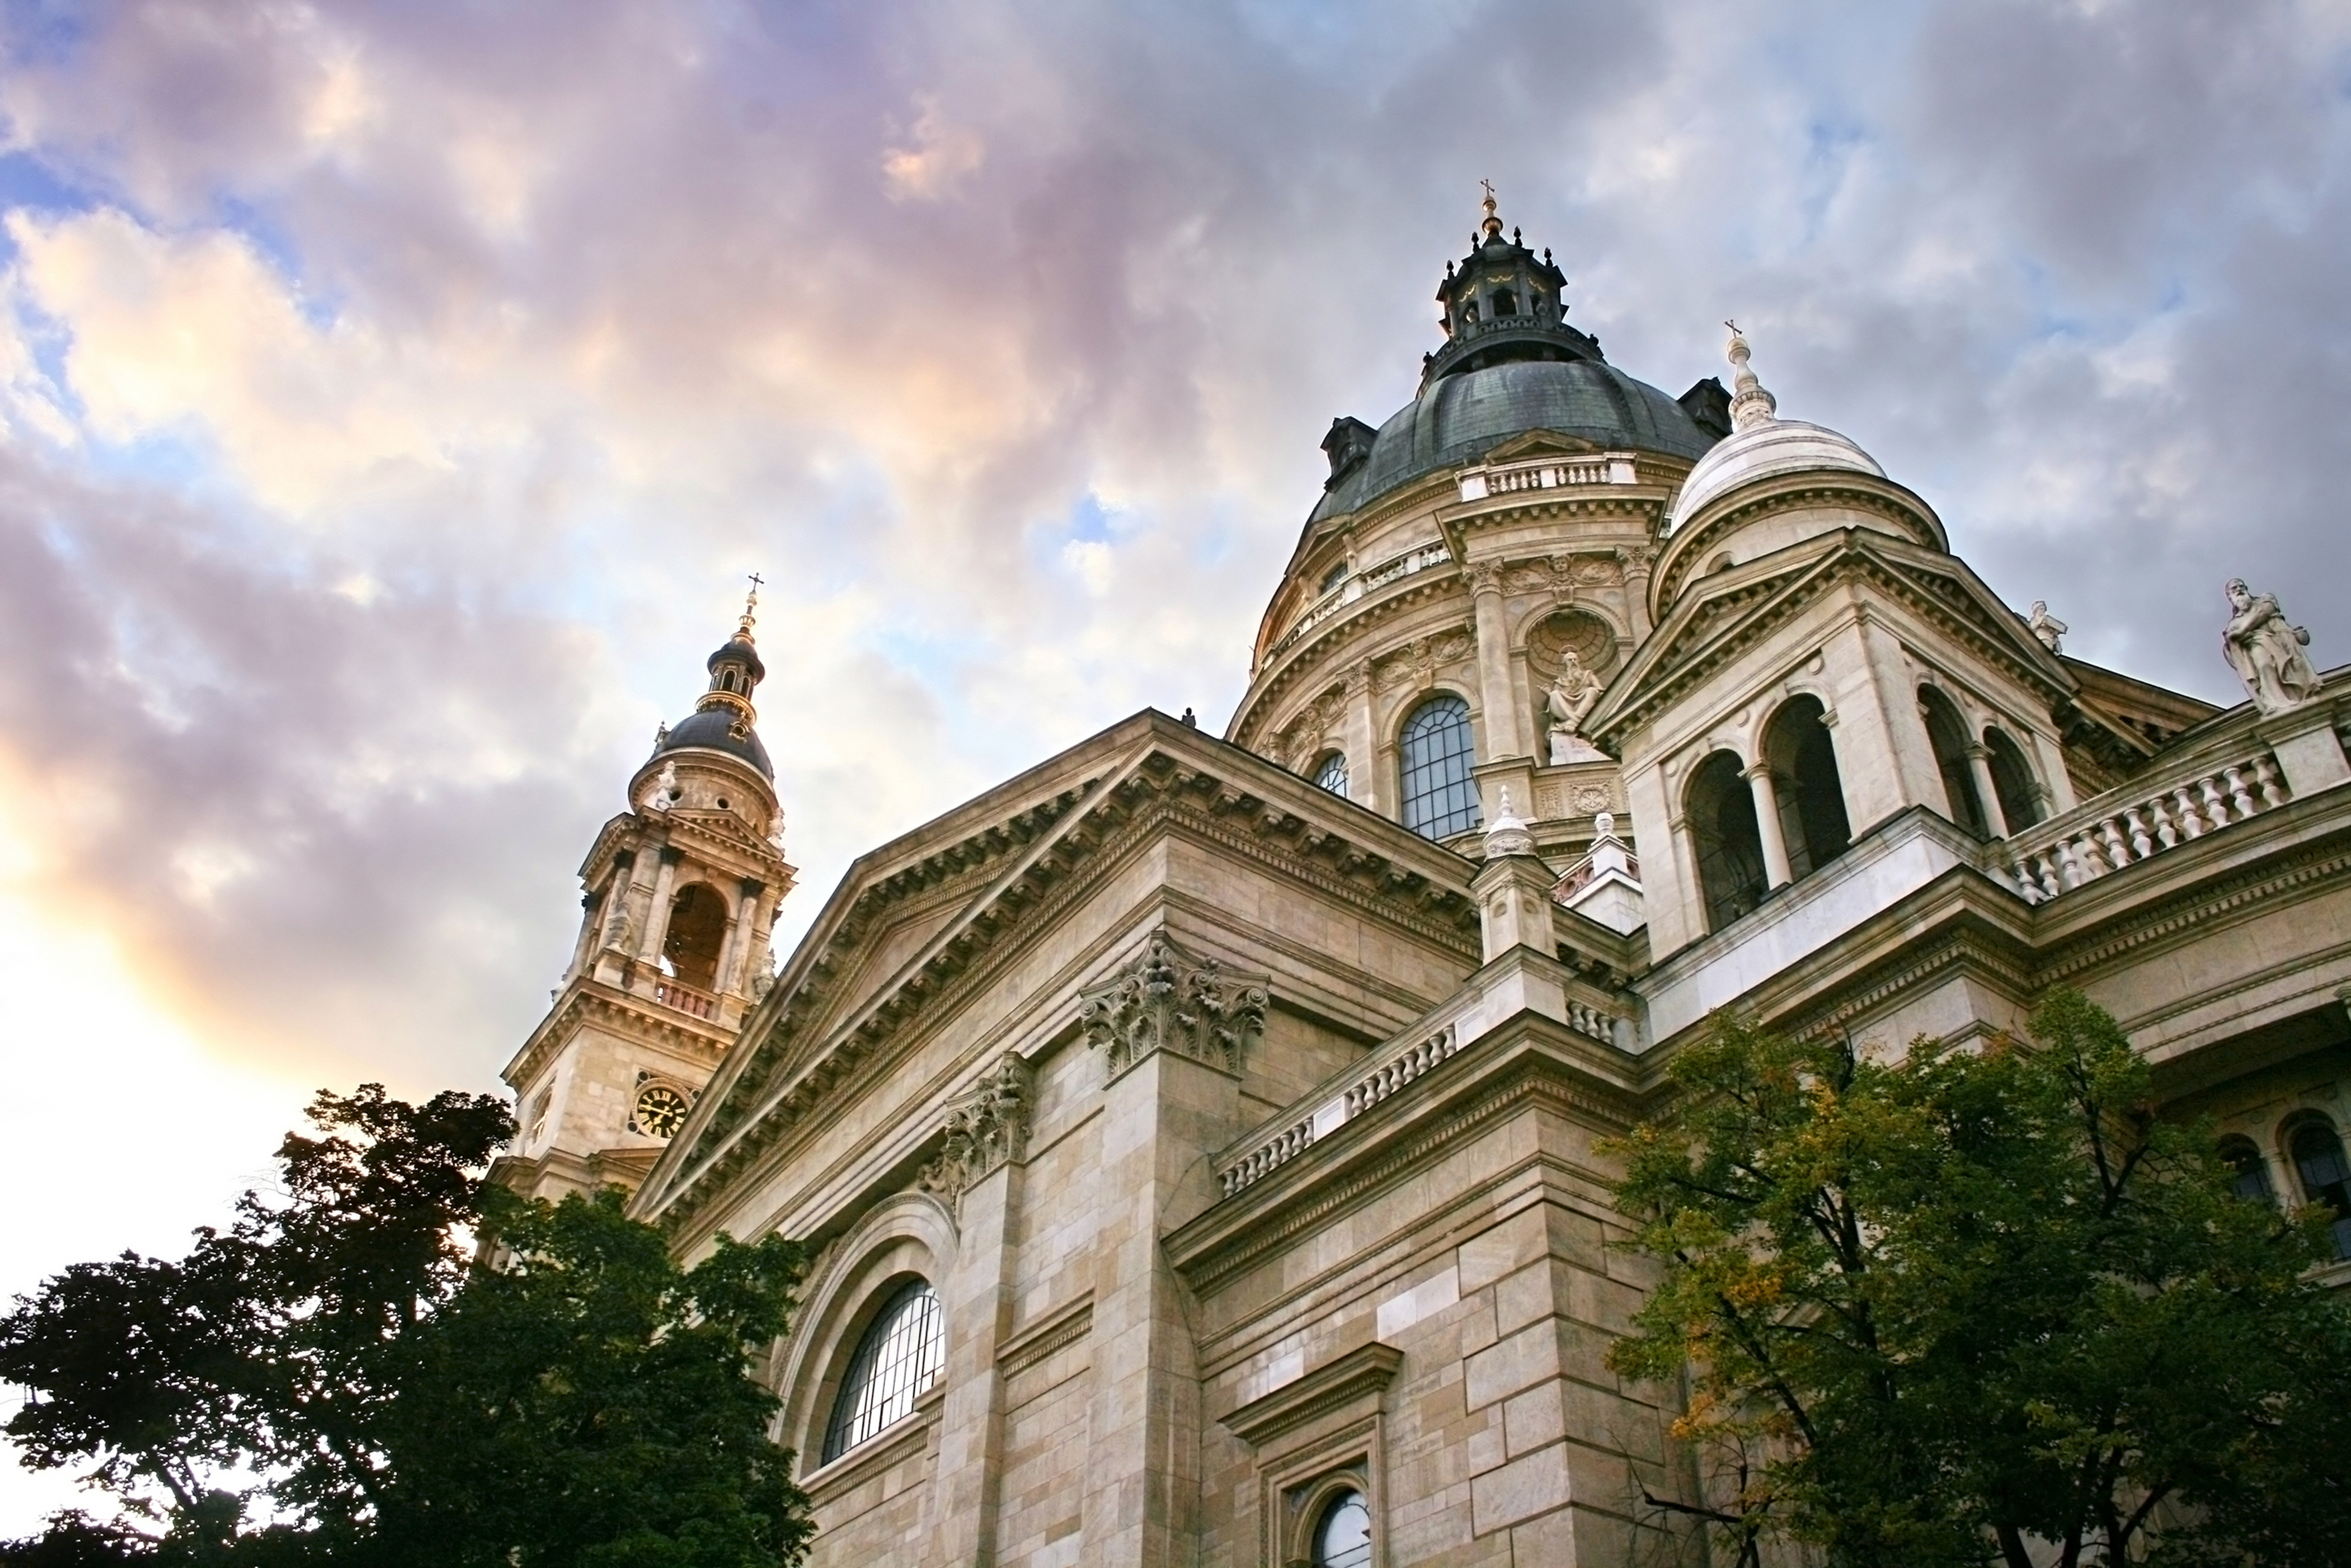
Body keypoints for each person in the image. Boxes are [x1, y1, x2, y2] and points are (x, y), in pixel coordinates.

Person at [2222, 578, 2320, 714]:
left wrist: (2242, 632)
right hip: (2257, 645)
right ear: (2229, 596)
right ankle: (2274, 703)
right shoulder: (2233, 623)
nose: (2239, 590)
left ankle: (2299, 696)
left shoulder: (2265, 599)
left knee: (2297, 668)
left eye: (2241, 586)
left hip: (2282, 641)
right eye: (2234, 589)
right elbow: (2231, 651)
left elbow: (2265, 612)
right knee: (2264, 666)